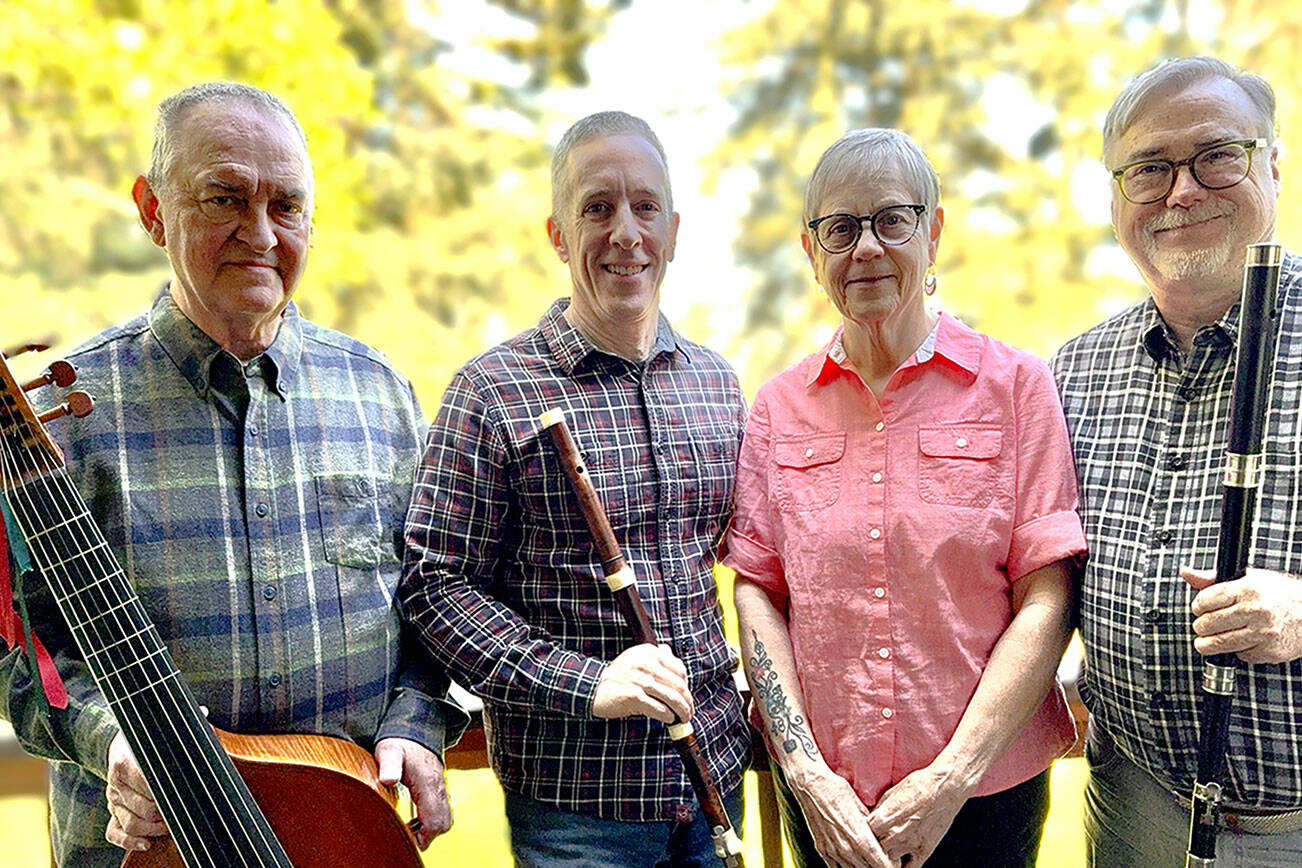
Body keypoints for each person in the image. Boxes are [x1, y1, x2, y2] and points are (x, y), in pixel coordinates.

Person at [0, 82, 467, 867]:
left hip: (343, 843)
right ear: (153, 210)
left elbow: (434, 596)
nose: (260, 233)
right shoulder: (56, 420)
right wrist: (110, 740)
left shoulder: (379, 391)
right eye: (225, 198)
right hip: (149, 851)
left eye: (286, 205)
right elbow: (18, 656)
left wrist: (417, 724)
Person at [723, 128, 1085, 868]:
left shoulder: (1016, 387)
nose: (866, 248)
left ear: (933, 231)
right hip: (830, 803)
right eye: (840, 228)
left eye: (892, 220)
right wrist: (806, 774)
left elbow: (1048, 596)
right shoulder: (778, 408)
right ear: (811, 252)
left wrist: (951, 779)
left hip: (987, 795)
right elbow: (759, 591)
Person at [400, 110, 749, 867]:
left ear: (674, 231)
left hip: (714, 783)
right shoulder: (492, 391)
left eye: (645, 207)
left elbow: (739, 565)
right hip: (577, 809)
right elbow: (433, 587)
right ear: (559, 235)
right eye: (598, 208)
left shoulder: (718, 385)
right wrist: (587, 683)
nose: (626, 233)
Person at [1053, 56, 1302, 866]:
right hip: (1132, 805)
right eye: (1150, 169)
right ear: (1116, 199)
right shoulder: (1074, 370)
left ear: (1272, 163)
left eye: (1217, 156)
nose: (1183, 191)